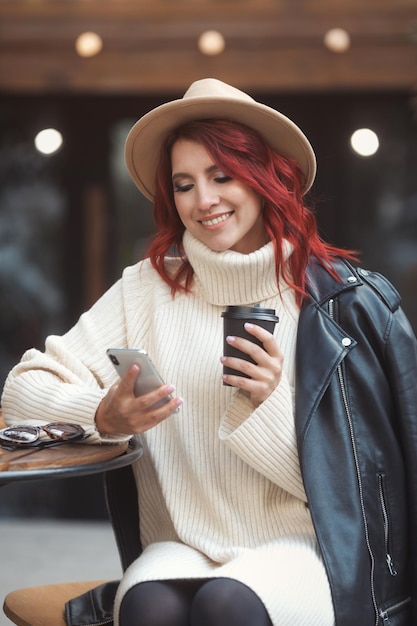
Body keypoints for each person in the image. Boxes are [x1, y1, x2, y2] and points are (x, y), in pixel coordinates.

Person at [1, 78, 417, 626]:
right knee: (149, 606)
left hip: (308, 550)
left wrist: (270, 401)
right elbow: (20, 391)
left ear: (267, 177)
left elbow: (360, 494)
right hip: (184, 543)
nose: (204, 201)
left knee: (228, 603)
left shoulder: (339, 300)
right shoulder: (145, 289)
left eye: (223, 176)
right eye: (184, 184)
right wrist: (103, 414)